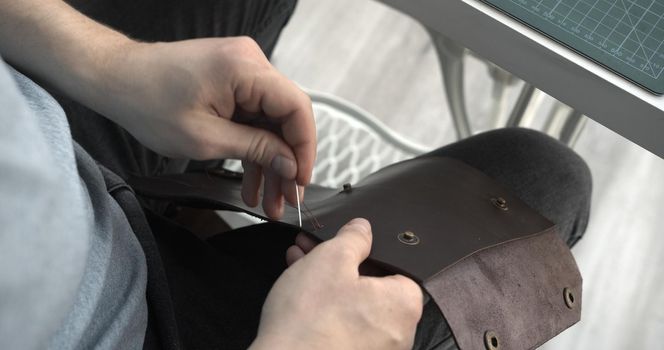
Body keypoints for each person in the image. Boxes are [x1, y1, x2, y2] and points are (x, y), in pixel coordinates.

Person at [0, 0, 592, 349]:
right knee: (546, 181)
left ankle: (187, 183)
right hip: (143, 325)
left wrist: (112, 66)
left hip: (67, 168)